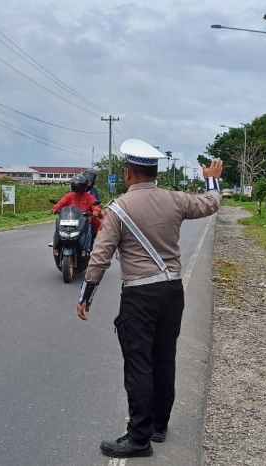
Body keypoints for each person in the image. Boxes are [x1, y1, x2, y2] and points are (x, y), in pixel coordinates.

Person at [76, 138, 223, 458]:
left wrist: (86, 294)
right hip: (172, 292)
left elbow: (100, 256)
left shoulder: (118, 209)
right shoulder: (175, 199)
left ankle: (139, 437)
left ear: (129, 173)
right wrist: (212, 178)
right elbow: (212, 203)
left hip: (140, 294)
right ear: (154, 172)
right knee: (164, 357)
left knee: (139, 363)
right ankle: (159, 425)